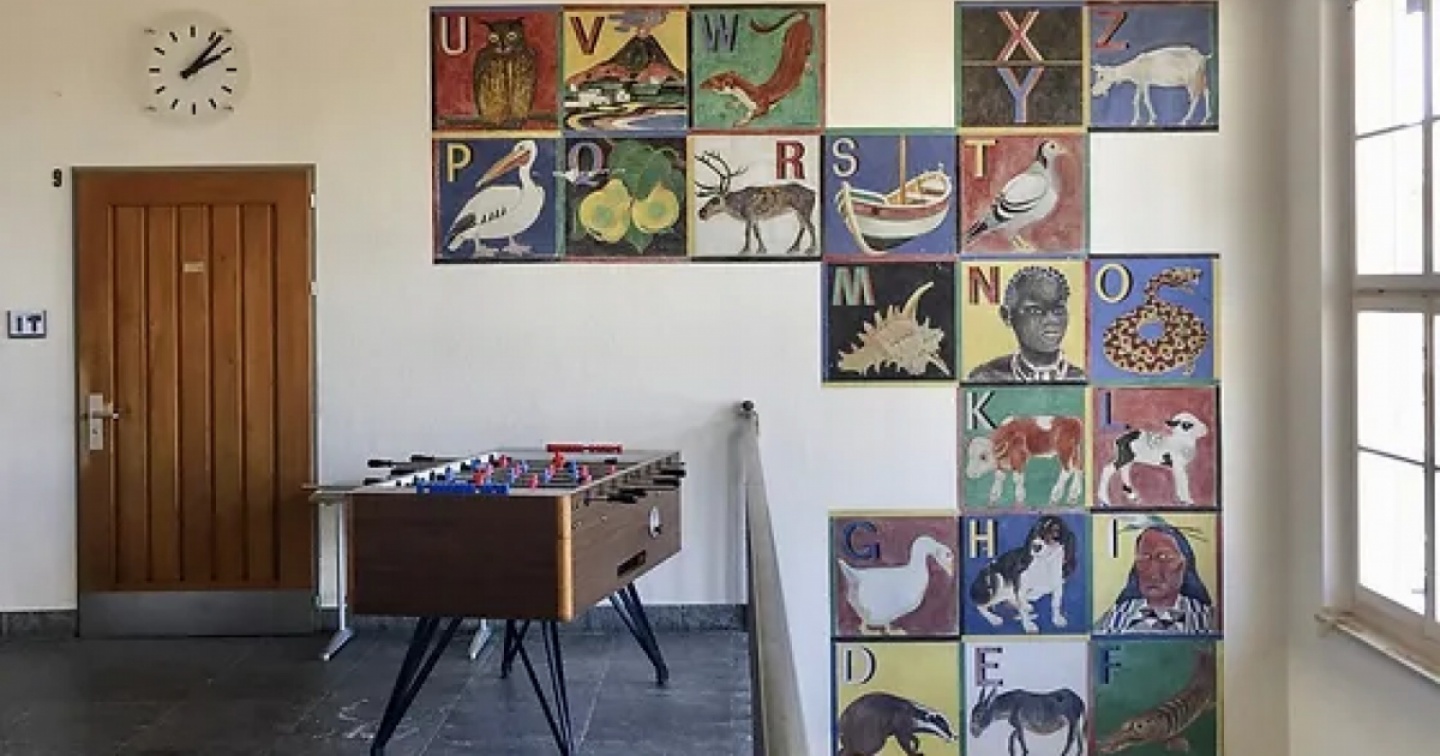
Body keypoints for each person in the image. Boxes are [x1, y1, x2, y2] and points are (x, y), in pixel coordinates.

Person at [966, 265, 1087, 383]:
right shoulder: (985, 378)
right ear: (1007, 316)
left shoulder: (1081, 379)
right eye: (1035, 310)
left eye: (1058, 310)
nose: (1051, 320)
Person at [1094, 522, 1217, 635]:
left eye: (1164, 557)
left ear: (1184, 564)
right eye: (1144, 557)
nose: (1152, 572)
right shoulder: (1113, 619)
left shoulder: (1207, 618)